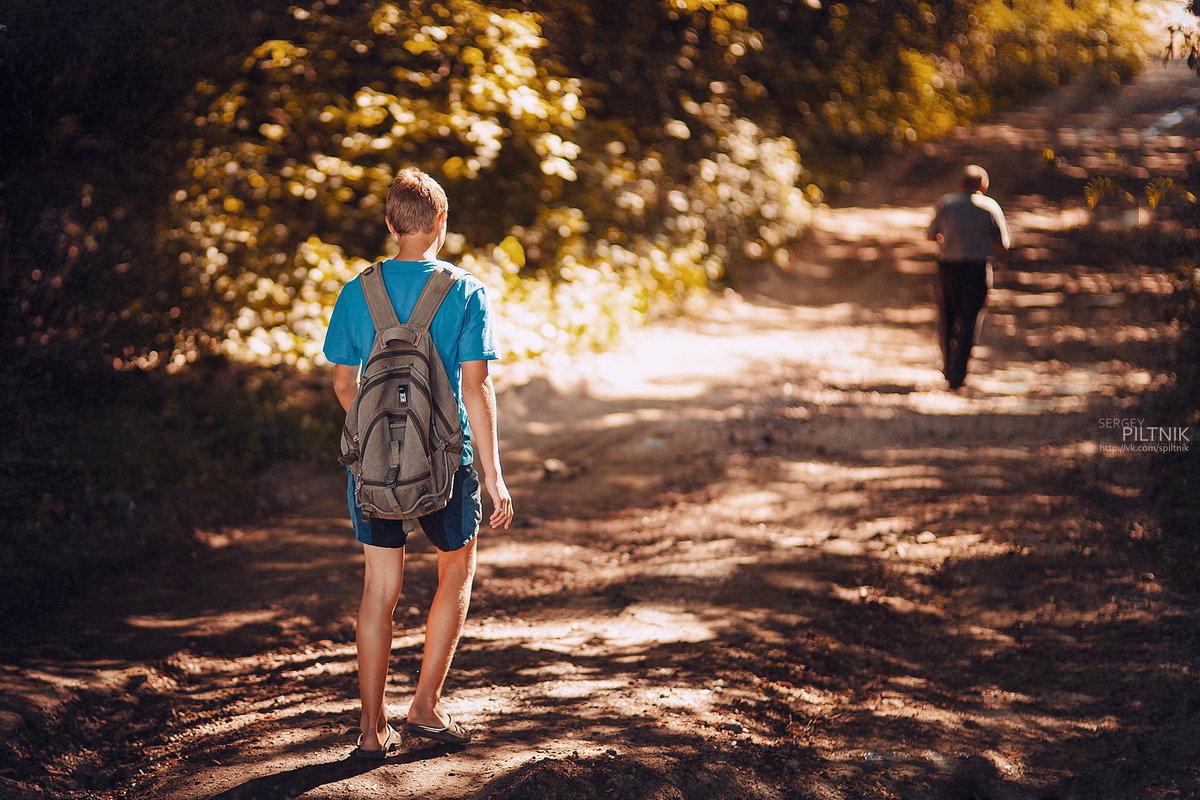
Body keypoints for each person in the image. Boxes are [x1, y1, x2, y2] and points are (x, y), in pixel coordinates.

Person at [323, 167, 514, 758]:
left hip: (374, 469)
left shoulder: (357, 291)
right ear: (441, 222)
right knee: (453, 572)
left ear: (389, 225)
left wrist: (380, 440)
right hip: (446, 461)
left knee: (379, 586)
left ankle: (370, 729)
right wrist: (492, 473)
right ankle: (425, 707)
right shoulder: (465, 291)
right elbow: (477, 388)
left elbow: (342, 382)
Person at [926, 164, 1011, 390]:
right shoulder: (990, 207)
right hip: (976, 268)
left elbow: (930, 235)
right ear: (983, 186)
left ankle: (947, 365)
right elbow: (1002, 243)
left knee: (947, 316)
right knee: (970, 320)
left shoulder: (947, 204)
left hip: (948, 267)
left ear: (960, 184)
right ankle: (959, 373)